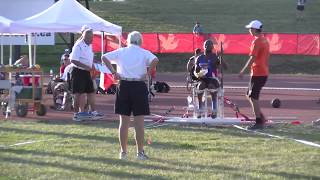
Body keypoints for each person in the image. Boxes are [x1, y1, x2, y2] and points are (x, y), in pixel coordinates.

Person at [101, 31, 159, 160]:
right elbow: (155, 59)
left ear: (128, 40)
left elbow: (104, 57)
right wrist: (148, 72)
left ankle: (123, 152)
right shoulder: (143, 52)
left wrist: (113, 72)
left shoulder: (121, 51)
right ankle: (140, 153)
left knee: (124, 122)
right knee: (139, 123)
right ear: (140, 41)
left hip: (124, 86)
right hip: (138, 86)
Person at [239, 20, 270, 130]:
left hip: (258, 73)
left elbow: (252, 57)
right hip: (262, 72)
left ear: (255, 29)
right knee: (249, 94)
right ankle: (260, 118)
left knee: (253, 97)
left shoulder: (256, 42)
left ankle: (259, 122)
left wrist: (243, 70)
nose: (249, 30)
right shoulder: (265, 40)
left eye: (250, 29)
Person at [69, 26, 102, 121]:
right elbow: (73, 60)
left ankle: (93, 112)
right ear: (85, 37)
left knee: (91, 91)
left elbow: (88, 58)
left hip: (87, 72)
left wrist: (93, 65)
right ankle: (76, 114)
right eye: (90, 38)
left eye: (92, 38)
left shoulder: (89, 45)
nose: (92, 40)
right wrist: (86, 66)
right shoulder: (78, 45)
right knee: (78, 93)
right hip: (78, 72)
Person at [194, 39, 227, 118]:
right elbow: (195, 70)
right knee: (200, 86)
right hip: (202, 78)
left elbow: (225, 67)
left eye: (209, 45)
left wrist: (221, 57)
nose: (207, 46)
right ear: (203, 47)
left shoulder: (215, 57)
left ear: (212, 47)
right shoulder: (199, 58)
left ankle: (214, 109)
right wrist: (199, 71)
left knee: (212, 87)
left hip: (212, 79)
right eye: (206, 45)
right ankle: (200, 108)